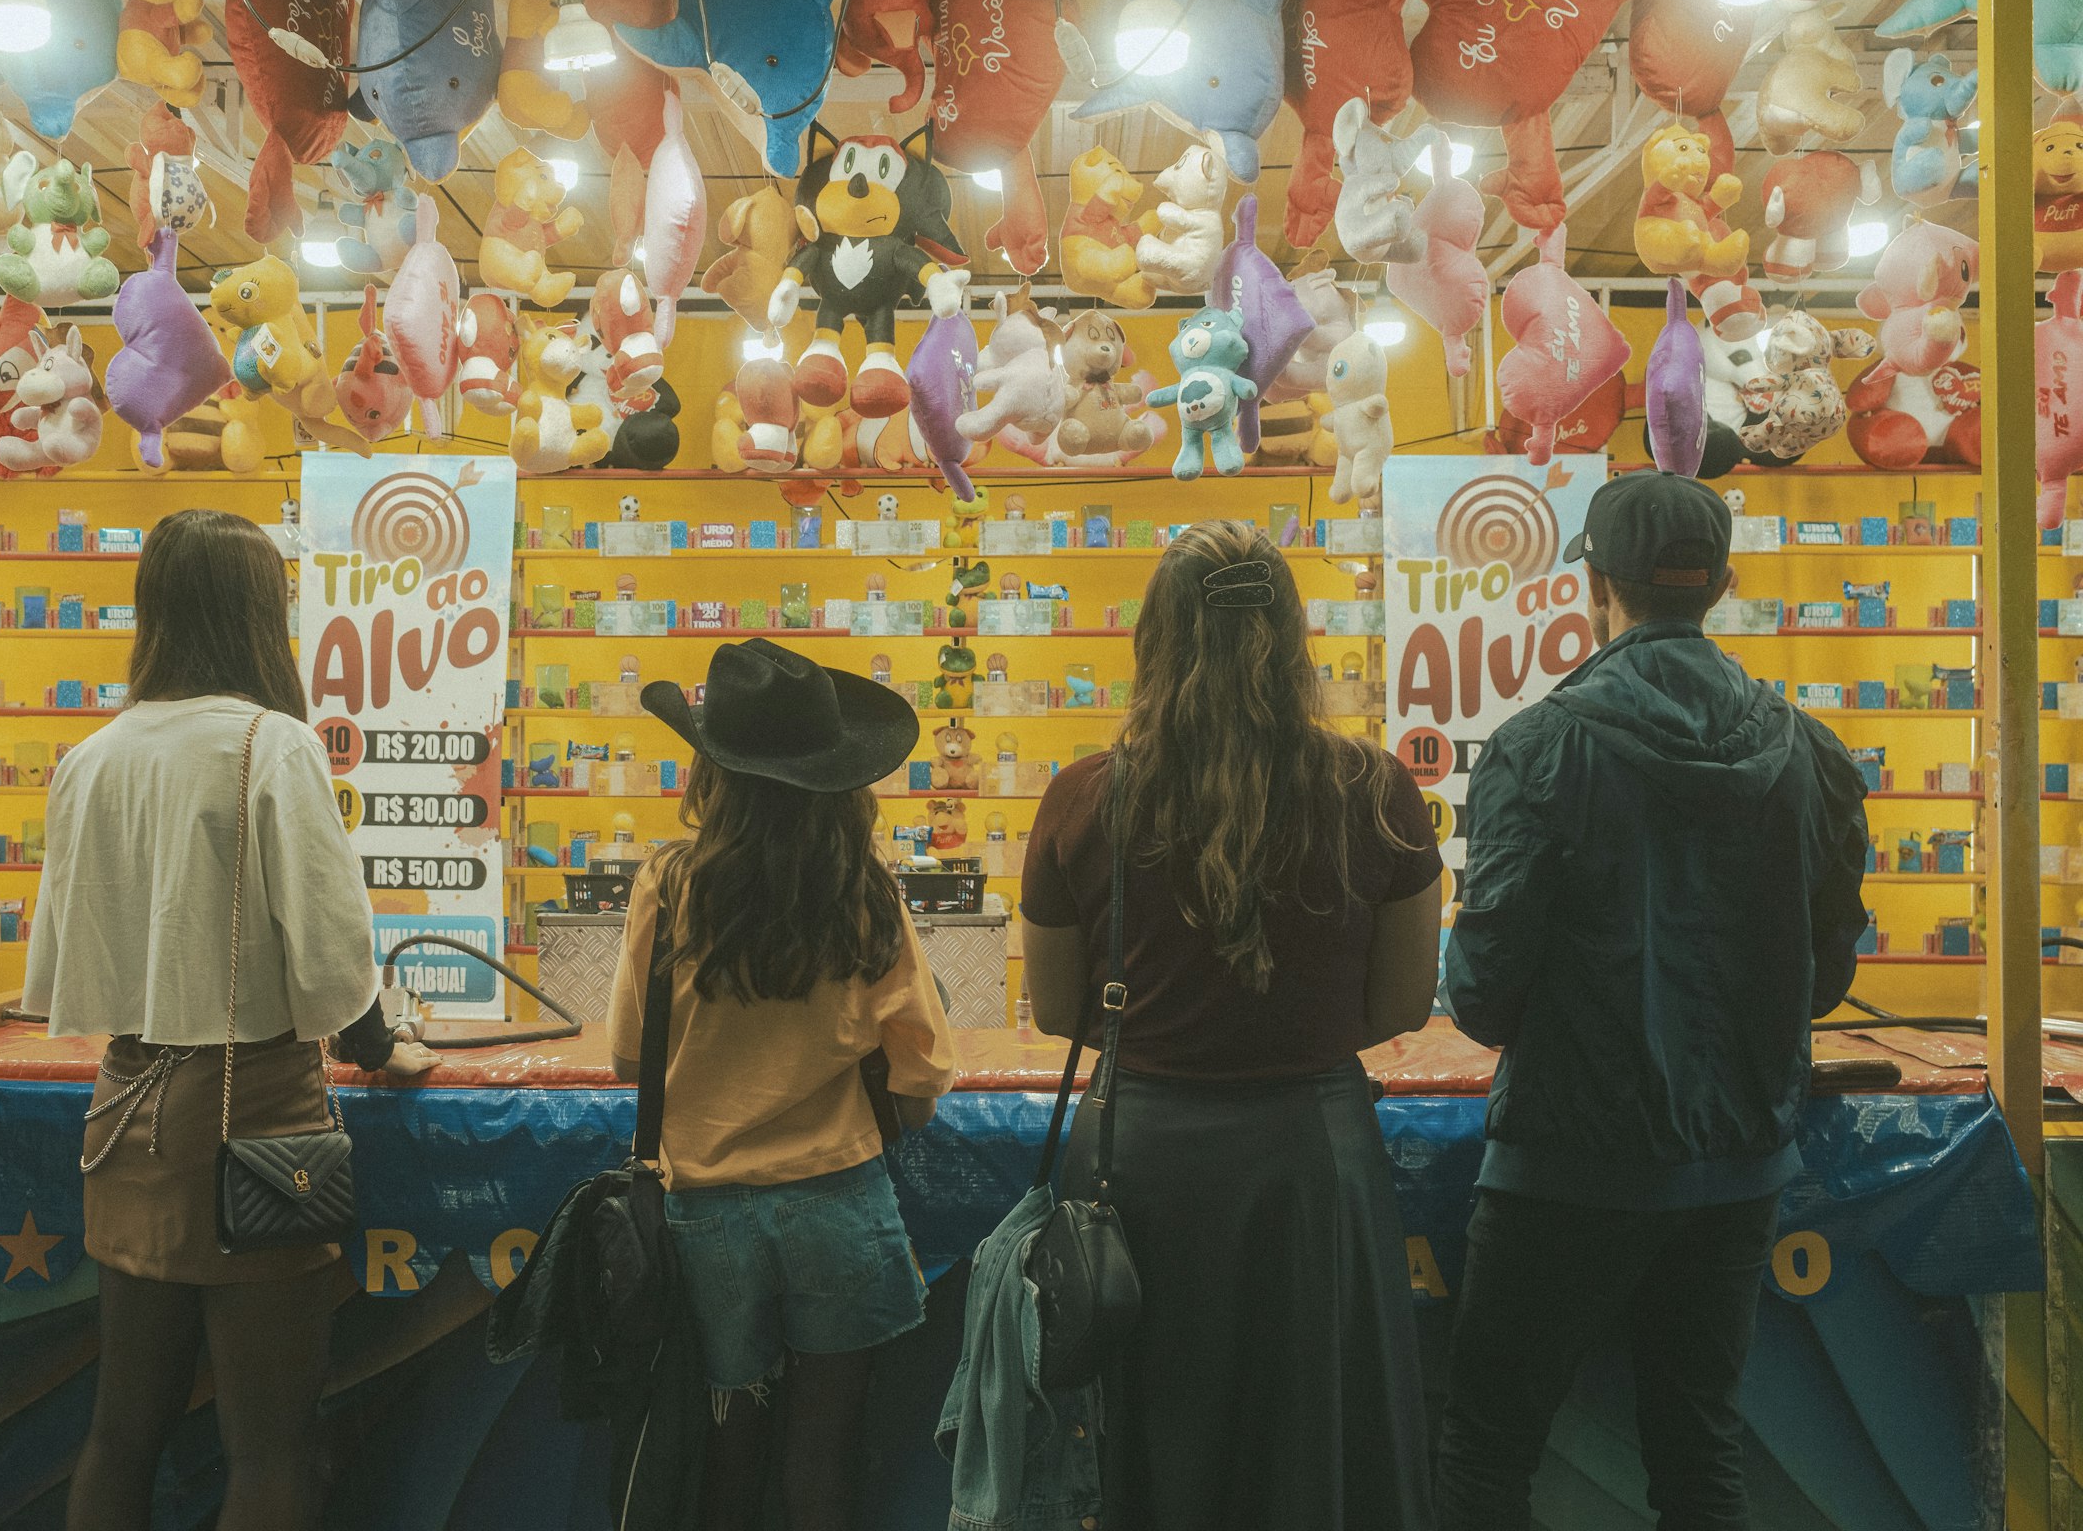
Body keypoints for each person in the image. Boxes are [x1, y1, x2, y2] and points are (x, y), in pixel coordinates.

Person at [1433, 472, 1871, 1531]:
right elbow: (1827, 979)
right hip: (1738, 1167)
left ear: (1595, 585)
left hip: (1565, 1164)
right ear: (1721, 585)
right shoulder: (1809, 752)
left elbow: (1482, 997)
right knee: (1699, 1453)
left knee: (1485, 1458)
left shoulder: (1537, 747)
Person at [1019, 519, 1443, 1529]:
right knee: (1310, 1433)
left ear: (1153, 640)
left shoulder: (1083, 798)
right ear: (1293, 639)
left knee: (1152, 1433)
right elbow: (1401, 1004)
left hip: (1139, 1163)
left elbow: (1059, 1009)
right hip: (1309, 1158)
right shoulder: (1376, 791)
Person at [25, 509, 395, 1531]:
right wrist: (379, 1044)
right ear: (259, 614)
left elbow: (63, 959)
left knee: (121, 1433)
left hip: (124, 1111)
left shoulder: (92, 755)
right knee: (272, 1449)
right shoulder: (271, 746)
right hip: (255, 1109)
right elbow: (333, 957)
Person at [612, 638, 959, 1531]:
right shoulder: (865, 894)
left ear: (710, 773)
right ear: (840, 783)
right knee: (824, 1452)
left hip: (706, 1210)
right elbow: (922, 1078)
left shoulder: (668, 885)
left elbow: (628, 1059)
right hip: (838, 1202)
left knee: (729, 1444)